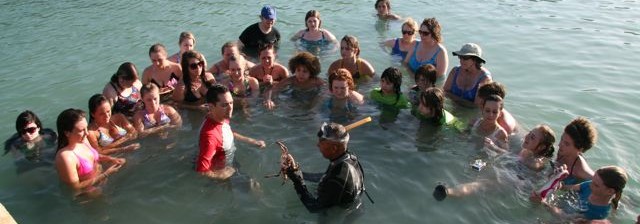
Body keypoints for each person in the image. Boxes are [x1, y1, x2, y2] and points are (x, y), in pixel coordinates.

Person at [433, 124, 555, 200]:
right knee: (479, 163)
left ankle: (448, 192)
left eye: (532, 137)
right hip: (510, 170)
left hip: (515, 183)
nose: (527, 137)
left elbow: (533, 170)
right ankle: (462, 178)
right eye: (529, 133)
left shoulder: (537, 163)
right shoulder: (525, 151)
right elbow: (511, 156)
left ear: (541, 147)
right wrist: (494, 148)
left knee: (483, 184)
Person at [284, 122, 367, 213]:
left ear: (334, 148)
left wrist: (297, 180)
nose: (317, 145)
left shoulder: (338, 178)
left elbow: (314, 208)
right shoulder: (348, 158)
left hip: (338, 214)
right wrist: (299, 173)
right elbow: (327, 177)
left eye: (321, 142)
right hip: (350, 202)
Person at [196, 85, 266, 180]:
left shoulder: (219, 116)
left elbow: (226, 132)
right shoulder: (210, 137)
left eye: (231, 103)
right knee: (254, 186)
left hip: (228, 159)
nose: (230, 108)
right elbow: (202, 171)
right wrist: (223, 175)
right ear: (211, 106)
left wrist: (251, 141)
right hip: (222, 170)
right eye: (224, 105)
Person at [54, 109, 126, 196]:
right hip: (89, 193)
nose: (87, 133)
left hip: (101, 179)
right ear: (67, 133)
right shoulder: (65, 157)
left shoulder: (82, 140)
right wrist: (106, 174)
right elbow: (75, 187)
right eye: (81, 130)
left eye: (86, 128)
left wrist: (111, 159)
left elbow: (94, 156)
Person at [530, 166, 628, 222]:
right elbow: (565, 188)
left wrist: (544, 203)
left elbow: (566, 218)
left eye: (596, 185)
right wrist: (556, 179)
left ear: (610, 191)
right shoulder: (589, 184)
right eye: (592, 180)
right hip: (560, 206)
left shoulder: (598, 215)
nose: (591, 184)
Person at [556, 117, 598, 185]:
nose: (559, 145)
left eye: (566, 144)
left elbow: (597, 183)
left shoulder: (582, 172)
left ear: (580, 149)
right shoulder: (562, 152)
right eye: (561, 139)